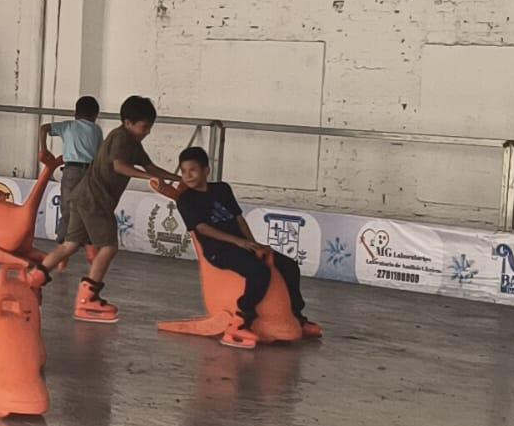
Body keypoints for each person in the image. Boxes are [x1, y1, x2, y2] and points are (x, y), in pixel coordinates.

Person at [32, 96, 178, 323]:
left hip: (82, 196)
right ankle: (88, 297)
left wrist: (177, 178)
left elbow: (151, 167)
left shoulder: (134, 144)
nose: (147, 132)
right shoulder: (120, 137)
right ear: (128, 122)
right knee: (109, 247)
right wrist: (150, 177)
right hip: (96, 199)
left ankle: (34, 278)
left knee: (70, 245)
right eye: (144, 127)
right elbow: (119, 166)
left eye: (150, 127)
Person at [175, 147, 323, 348]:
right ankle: (242, 319)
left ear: (206, 170)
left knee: (289, 266)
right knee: (259, 271)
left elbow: (238, 218)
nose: (187, 175)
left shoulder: (222, 189)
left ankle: (297, 317)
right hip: (218, 250)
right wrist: (238, 242)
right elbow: (201, 228)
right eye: (183, 171)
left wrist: (253, 244)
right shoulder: (185, 199)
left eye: (192, 170)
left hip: (242, 244)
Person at [39, 95, 103, 242]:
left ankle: (62, 239)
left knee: (67, 206)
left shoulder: (68, 126)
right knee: (88, 206)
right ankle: (86, 240)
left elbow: (44, 128)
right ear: (95, 115)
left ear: (76, 113)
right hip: (90, 172)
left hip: (71, 170)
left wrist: (44, 149)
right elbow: (100, 154)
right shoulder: (96, 130)